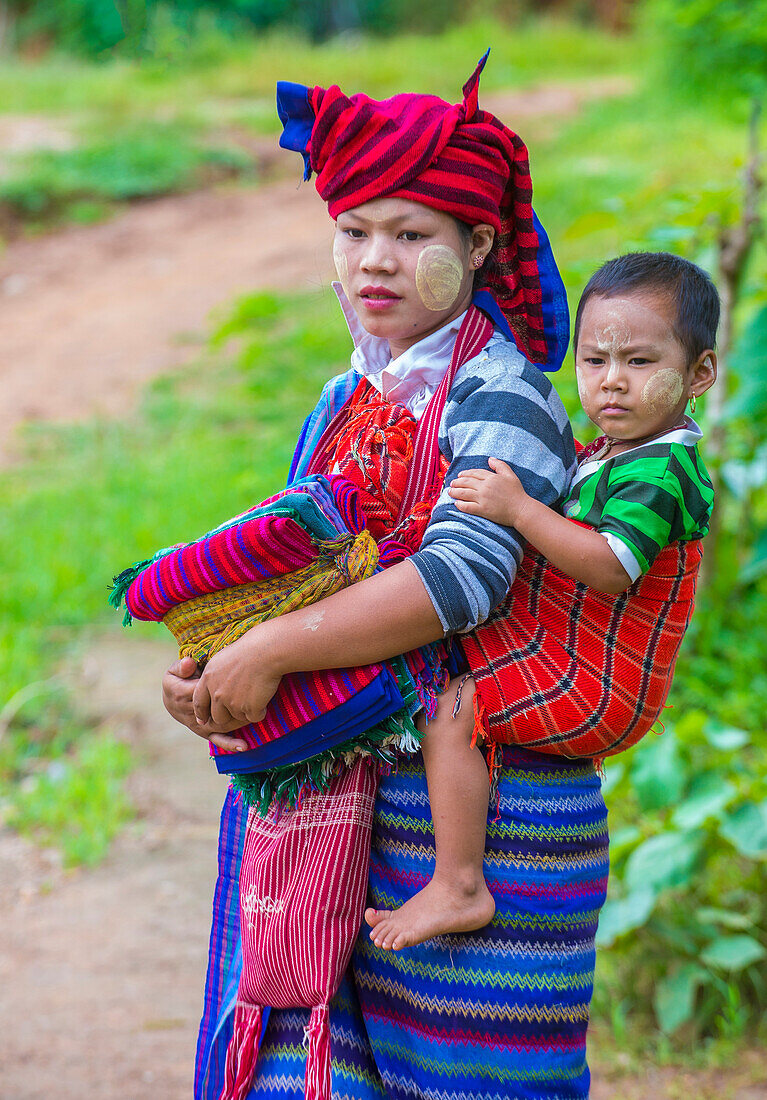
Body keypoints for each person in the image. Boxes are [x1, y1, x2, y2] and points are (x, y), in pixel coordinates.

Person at [166, 55, 610, 1100]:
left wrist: (269, 650)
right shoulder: (338, 397)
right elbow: (289, 572)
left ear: (480, 246)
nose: (375, 260)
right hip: (331, 808)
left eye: (411, 236)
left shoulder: (504, 394)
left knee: (467, 1078)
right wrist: (211, 658)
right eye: (355, 230)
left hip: (480, 820)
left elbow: (463, 577)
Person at [367, 251, 717, 953]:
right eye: (593, 362)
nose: (611, 382)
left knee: (449, 710)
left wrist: (520, 510)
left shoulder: (663, 467)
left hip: (595, 680)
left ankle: (459, 883)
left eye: (640, 363)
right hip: (563, 645)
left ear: (699, 375)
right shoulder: (615, 451)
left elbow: (612, 567)